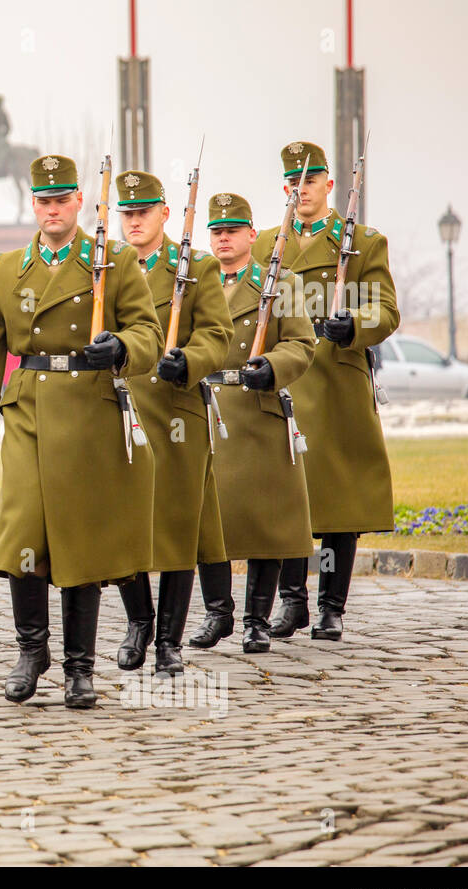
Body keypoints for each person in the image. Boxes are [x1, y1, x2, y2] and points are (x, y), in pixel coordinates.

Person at [0, 154, 162, 707]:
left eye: (62, 200)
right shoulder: (5, 270)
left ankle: (79, 669)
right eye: (43, 201)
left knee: (81, 541)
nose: (52, 210)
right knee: (23, 533)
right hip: (29, 410)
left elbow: (149, 333)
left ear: (79, 202)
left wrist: (122, 347)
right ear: (34, 205)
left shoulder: (113, 263)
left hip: (91, 410)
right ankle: (32, 651)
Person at [252, 141, 399, 642]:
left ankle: (331, 606)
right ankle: (292, 602)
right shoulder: (265, 244)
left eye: (310, 181)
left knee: (339, 496)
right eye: (293, 182)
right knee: (289, 494)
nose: (301, 190)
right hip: (286, 379)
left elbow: (385, 310)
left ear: (329, 185)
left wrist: (352, 323)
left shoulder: (360, 241)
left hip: (337, 379)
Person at [114, 169, 233, 677]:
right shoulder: (108, 268)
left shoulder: (196, 268)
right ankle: (140, 619)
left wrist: (189, 359)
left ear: (165, 213)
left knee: (179, 527)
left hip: (177, 408)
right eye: (128, 214)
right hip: (123, 411)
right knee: (125, 523)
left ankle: (169, 641)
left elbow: (218, 333)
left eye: (144, 212)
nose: (135, 222)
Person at [188, 192, 315, 653]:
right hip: (208, 410)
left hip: (257, 407)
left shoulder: (279, 285)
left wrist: (273, 366)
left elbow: (302, 344)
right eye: (216, 232)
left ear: (250, 234)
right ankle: (218, 611)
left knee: (265, 523)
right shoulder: (197, 283)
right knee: (210, 522)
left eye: (232, 230)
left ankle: (256, 621)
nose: (223, 239)